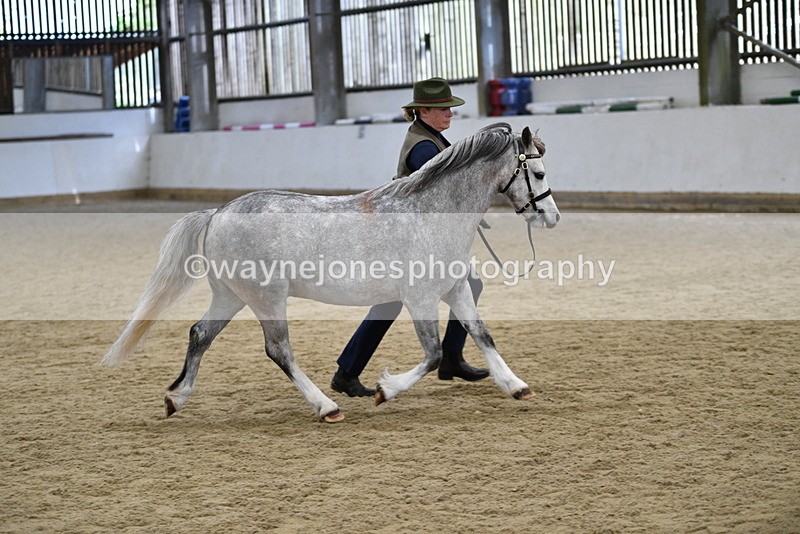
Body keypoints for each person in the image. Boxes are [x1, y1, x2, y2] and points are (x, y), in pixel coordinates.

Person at [331, 77, 489, 397]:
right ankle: (348, 373)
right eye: (443, 109)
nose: (450, 114)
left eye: (450, 108)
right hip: (409, 240)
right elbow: (441, 192)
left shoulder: (431, 138)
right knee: (391, 303)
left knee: (464, 285)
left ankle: (450, 359)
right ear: (424, 110)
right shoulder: (423, 147)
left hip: (414, 237)